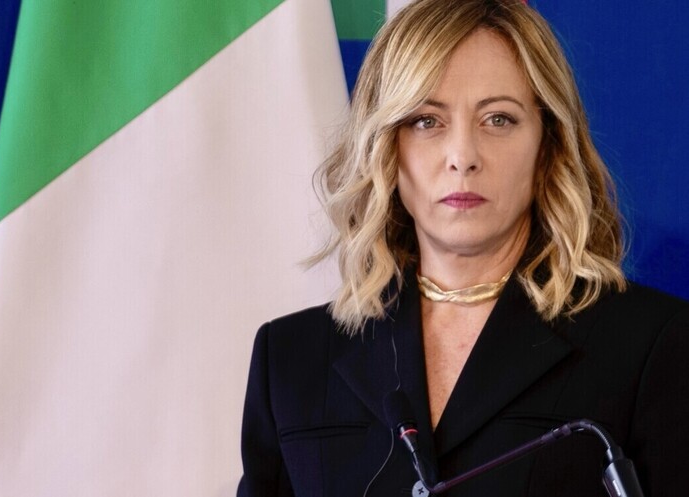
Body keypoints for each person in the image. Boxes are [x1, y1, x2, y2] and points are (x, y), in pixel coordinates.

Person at [237, 0, 689, 495]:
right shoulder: (291, 358)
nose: (463, 156)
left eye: (498, 119)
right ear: (384, 147)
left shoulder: (653, 346)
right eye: (426, 121)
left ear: (548, 144)